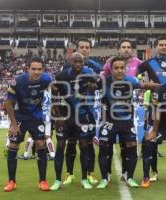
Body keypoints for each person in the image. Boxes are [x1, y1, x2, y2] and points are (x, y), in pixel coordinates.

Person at [96, 57, 159, 189]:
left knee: (131, 146)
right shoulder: (104, 81)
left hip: (126, 120)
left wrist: (163, 86)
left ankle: (129, 177)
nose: (119, 71)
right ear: (111, 70)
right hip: (109, 121)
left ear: (126, 69)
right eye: (116, 68)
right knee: (104, 147)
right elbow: (89, 84)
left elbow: (145, 85)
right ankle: (104, 178)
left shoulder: (131, 80)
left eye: (122, 68)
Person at [137, 36, 166, 182]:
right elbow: (136, 73)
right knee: (153, 138)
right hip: (155, 104)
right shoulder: (149, 62)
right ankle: (154, 172)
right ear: (156, 46)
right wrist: (144, 83)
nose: (164, 47)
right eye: (161, 44)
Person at [4, 57, 52, 192]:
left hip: (36, 116)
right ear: (27, 69)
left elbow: (53, 92)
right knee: (13, 146)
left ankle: (42, 181)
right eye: (33, 69)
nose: (37, 72)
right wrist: (13, 124)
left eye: (39, 69)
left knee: (41, 144)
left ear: (42, 70)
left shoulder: (46, 79)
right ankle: (11, 181)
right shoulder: (17, 81)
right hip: (19, 117)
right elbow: (8, 103)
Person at [50, 52, 96, 190]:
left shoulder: (88, 73)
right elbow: (54, 98)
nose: (78, 64)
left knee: (84, 146)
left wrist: (92, 88)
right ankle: (58, 180)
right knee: (60, 146)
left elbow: (95, 86)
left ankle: (84, 179)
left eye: (80, 62)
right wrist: (58, 117)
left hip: (81, 116)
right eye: (75, 62)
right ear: (70, 61)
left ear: (83, 62)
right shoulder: (61, 76)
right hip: (64, 116)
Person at [62, 37, 102, 185]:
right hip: (71, 111)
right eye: (82, 47)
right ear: (77, 48)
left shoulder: (95, 66)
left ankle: (90, 173)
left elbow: (98, 84)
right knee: (71, 142)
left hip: (88, 110)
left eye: (87, 47)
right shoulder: (67, 67)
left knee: (88, 143)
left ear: (90, 49)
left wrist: (94, 87)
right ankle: (69, 173)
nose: (84, 49)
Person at [102, 39, 143, 181]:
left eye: (128, 47)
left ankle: (127, 174)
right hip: (110, 117)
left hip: (127, 116)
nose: (126, 49)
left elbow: (144, 83)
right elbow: (99, 79)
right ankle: (105, 175)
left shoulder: (137, 64)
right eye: (123, 47)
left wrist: (162, 86)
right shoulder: (106, 74)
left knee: (128, 146)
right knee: (106, 145)